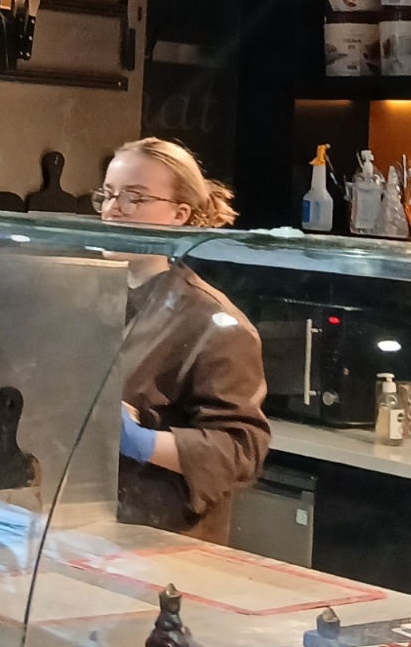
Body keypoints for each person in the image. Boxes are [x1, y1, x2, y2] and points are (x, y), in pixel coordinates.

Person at [94, 137, 270, 544]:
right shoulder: (86, 294)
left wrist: (141, 442)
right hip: (83, 525)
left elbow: (241, 451)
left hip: (164, 544)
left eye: (134, 198)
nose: (113, 209)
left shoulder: (215, 323)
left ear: (179, 214)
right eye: (107, 194)